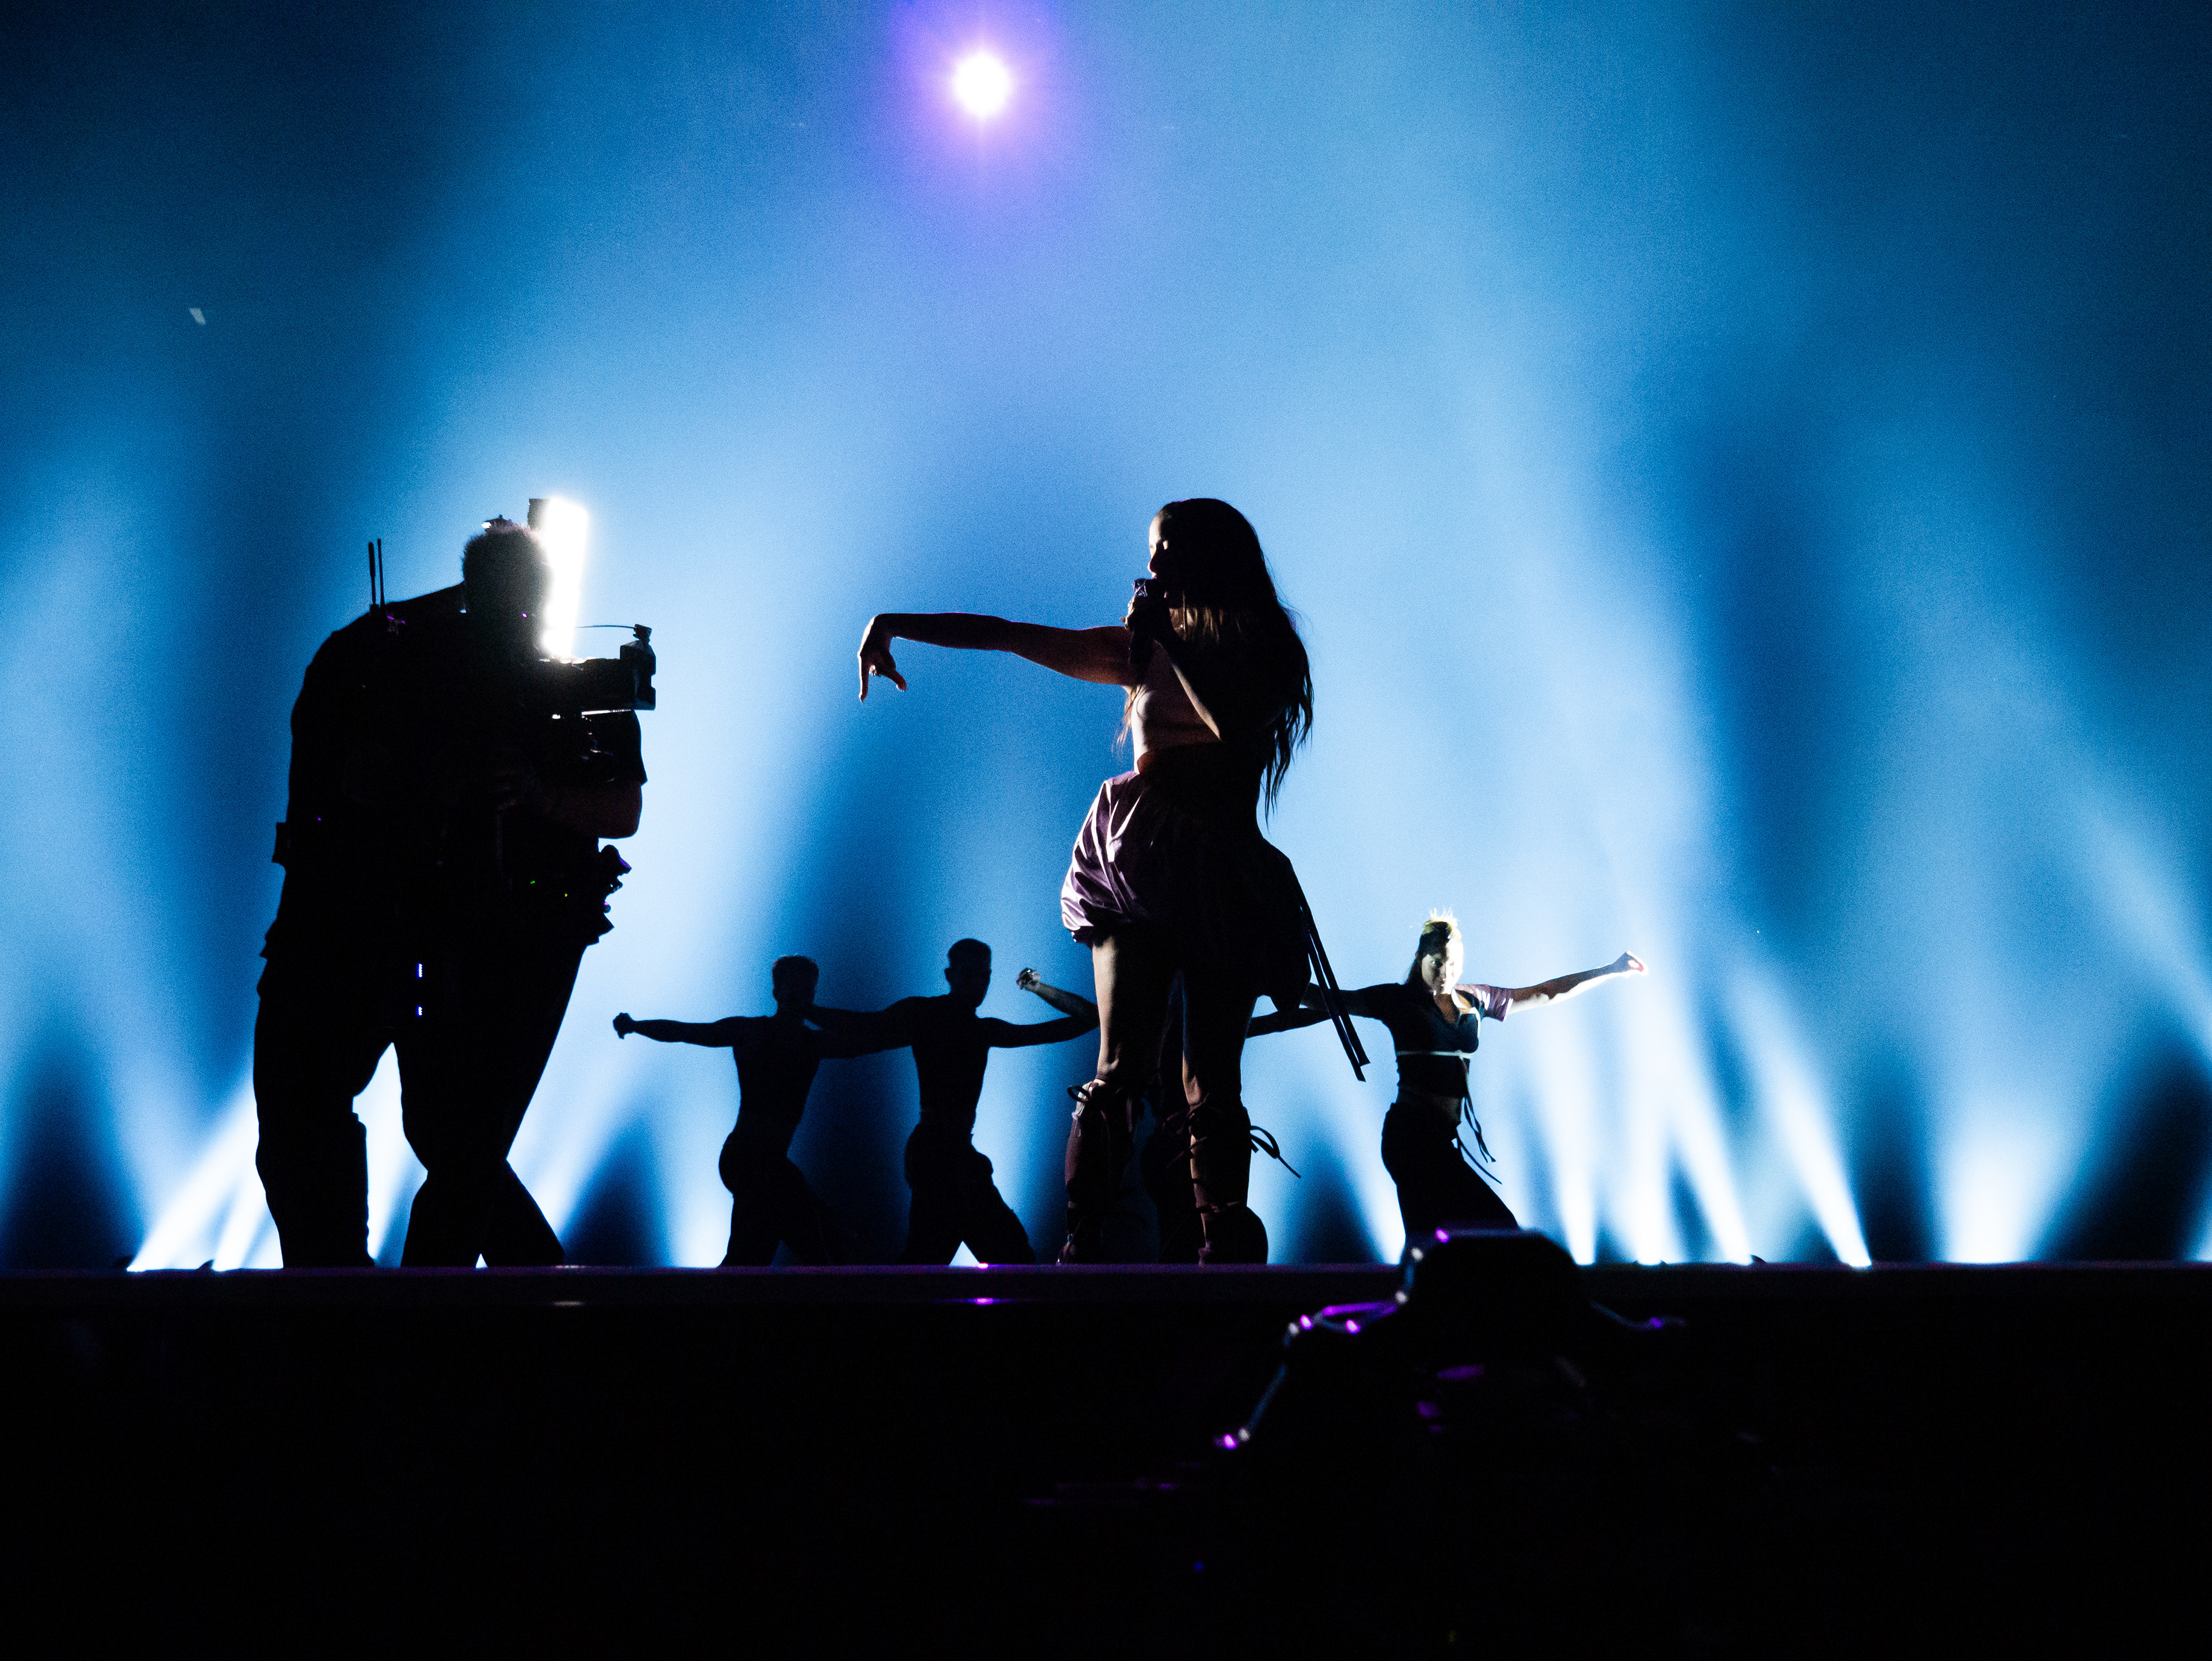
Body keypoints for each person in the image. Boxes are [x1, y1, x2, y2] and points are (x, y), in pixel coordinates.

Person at [857, 497, 1327, 1263]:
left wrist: (1167, 640)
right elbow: (1010, 634)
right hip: (1139, 857)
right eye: (1152, 548)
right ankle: (1084, 1240)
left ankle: (1221, 1241)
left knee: (1211, 1073)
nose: (1153, 563)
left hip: (1222, 866)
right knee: (1121, 1065)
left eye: (1168, 548)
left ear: (1211, 556)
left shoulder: (1263, 646)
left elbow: (1236, 728)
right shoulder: (1141, 650)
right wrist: (896, 622)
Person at [254, 518, 644, 1267]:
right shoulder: (396, 671)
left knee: (451, 1140)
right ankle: (401, 1297)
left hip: (503, 939)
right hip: (390, 929)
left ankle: (448, 1304)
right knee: (421, 1132)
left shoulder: (570, 687)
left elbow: (621, 810)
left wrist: (534, 793)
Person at [1277, 913, 1644, 1243]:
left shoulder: (1477, 1001)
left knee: (1472, 1237)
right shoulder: (1398, 1001)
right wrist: (1270, 979)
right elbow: (1330, 1000)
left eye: (1452, 964)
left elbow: (1545, 994)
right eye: (1436, 963)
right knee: (1461, 1236)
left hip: (1441, 1142)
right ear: (1421, 959)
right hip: (1410, 1138)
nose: (1444, 973)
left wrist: (1610, 970)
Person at [808, 940, 1098, 1265]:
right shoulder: (929, 1015)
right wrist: (806, 1010)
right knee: (992, 1258)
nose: (979, 983)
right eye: (970, 973)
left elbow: (1087, 1019)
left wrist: (1039, 988)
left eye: (984, 975)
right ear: (950, 975)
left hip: (948, 1154)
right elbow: (863, 1025)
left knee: (940, 1260)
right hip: (939, 1155)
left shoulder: (978, 1029)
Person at [615, 956, 887, 1266]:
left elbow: (868, 1041)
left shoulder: (814, 1043)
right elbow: (688, 1032)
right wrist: (636, 1026)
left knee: (753, 1256)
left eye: (807, 989)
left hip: (770, 1163)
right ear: (777, 992)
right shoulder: (751, 1032)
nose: (800, 994)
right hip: (746, 1157)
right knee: (814, 1243)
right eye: (793, 987)